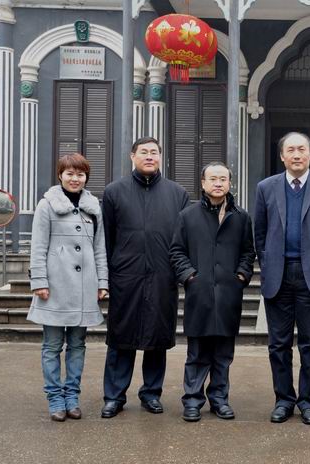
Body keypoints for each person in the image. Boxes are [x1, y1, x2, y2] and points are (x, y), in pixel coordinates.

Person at [254, 132, 310, 425]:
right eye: (290, 150)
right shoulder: (266, 188)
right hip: (278, 275)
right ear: (282, 156)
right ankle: (283, 400)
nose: (296, 154)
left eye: (301, 149)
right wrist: (268, 263)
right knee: (278, 345)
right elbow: (259, 233)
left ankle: (308, 401)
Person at [100, 137, 190, 419]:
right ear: (132, 156)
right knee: (120, 338)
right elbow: (106, 238)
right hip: (125, 276)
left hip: (163, 276)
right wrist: (107, 275)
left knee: (157, 338)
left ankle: (151, 393)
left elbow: (183, 239)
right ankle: (114, 396)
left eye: (154, 152)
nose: (149, 156)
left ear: (160, 157)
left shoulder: (177, 193)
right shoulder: (114, 192)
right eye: (144, 152)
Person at [170, 162, 255, 422]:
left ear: (230, 183)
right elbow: (177, 251)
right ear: (203, 183)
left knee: (223, 354)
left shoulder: (241, 217)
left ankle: (219, 399)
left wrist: (241, 276)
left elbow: (248, 252)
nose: (218, 183)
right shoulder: (188, 216)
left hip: (229, 294)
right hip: (200, 293)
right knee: (197, 353)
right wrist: (190, 276)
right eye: (213, 179)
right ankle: (192, 400)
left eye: (223, 179)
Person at [28, 153, 108, 421]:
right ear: (60, 175)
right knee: (52, 346)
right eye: (70, 174)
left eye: (80, 174)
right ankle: (55, 398)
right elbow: (38, 247)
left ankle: (72, 396)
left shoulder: (94, 207)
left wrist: (102, 282)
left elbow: (99, 248)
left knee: (77, 345)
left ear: (86, 177)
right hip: (54, 287)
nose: (75, 179)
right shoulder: (47, 205)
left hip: (85, 288)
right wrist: (39, 282)